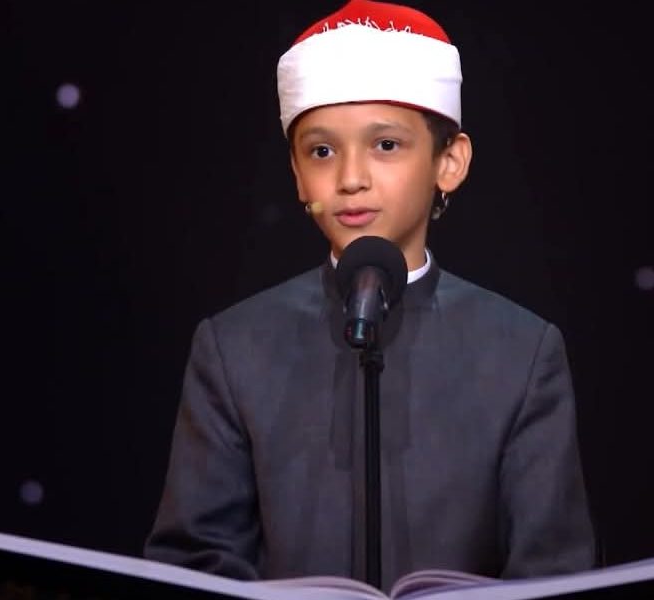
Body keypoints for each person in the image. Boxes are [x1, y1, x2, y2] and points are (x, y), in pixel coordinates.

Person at [144, 0, 597, 592]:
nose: (350, 178)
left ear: (449, 162)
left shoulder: (521, 351)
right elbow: (193, 565)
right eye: (322, 151)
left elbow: (555, 572)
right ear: (297, 173)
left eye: (385, 145)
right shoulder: (235, 347)